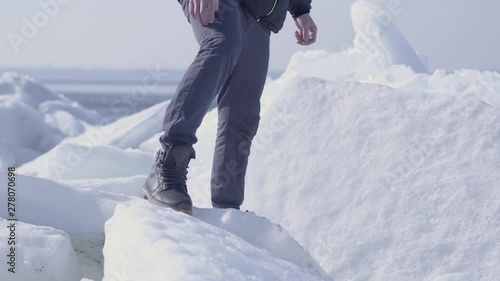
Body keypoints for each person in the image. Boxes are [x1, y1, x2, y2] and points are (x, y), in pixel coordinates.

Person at [141, 0, 317, 215]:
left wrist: (300, 9)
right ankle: (167, 166)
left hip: (261, 14)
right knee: (222, 44)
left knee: (243, 108)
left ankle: (227, 207)